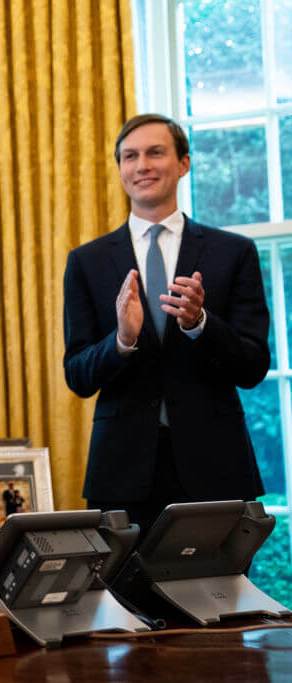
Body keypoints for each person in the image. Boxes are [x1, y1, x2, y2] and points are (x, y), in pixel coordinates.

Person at [63, 114, 270, 536]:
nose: (142, 165)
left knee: (219, 601)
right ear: (120, 168)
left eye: (156, 152)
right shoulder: (87, 262)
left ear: (184, 163)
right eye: (130, 156)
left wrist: (201, 323)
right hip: (121, 477)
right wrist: (121, 340)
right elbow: (78, 376)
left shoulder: (233, 253)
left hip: (217, 472)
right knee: (125, 603)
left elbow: (253, 367)